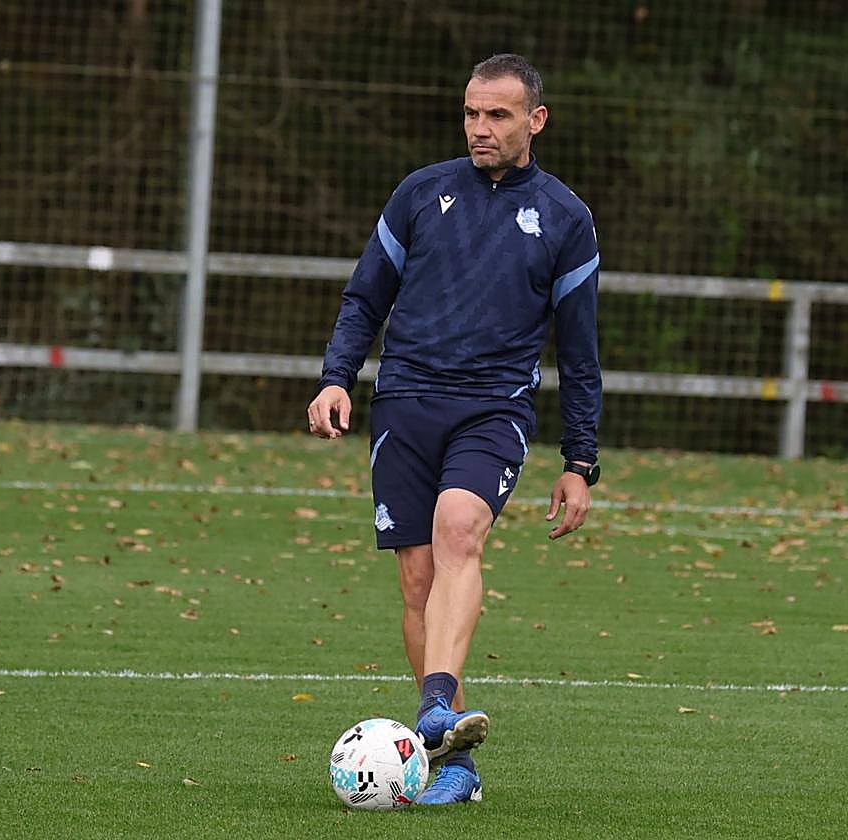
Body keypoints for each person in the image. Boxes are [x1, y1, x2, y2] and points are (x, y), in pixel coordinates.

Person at [307, 53, 602, 806]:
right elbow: (365, 294)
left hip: (492, 408)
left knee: (459, 529)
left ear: (535, 120)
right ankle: (454, 760)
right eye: (471, 113)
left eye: (497, 115)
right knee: (417, 579)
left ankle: (436, 705)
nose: (480, 128)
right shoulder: (419, 193)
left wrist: (580, 460)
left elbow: (580, 349)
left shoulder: (565, 218)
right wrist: (337, 376)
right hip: (403, 402)